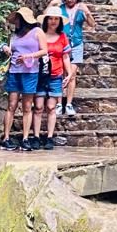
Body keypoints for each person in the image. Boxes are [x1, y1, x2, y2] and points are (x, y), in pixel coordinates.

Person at [0, 7, 48, 151]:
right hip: (14, 71)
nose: (16, 22)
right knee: (11, 105)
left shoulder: (37, 32)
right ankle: (6, 138)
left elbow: (44, 50)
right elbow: (6, 46)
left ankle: (25, 138)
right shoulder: (14, 35)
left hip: (30, 72)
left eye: (18, 19)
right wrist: (4, 47)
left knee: (27, 106)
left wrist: (28, 56)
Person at [32, 10, 73, 150]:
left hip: (56, 75)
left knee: (51, 107)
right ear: (46, 20)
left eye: (56, 19)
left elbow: (65, 57)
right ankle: (36, 137)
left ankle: (49, 137)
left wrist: (69, 73)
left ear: (60, 21)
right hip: (40, 75)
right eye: (51, 18)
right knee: (38, 107)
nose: (53, 21)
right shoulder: (39, 35)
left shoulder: (62, 37)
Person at [59, 0, 96, 116]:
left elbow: (92, 24)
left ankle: (68, 104)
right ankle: (59, 103)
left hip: (76, 44)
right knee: (60, 73)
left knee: (72, 74)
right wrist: (52, 3)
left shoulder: (81, 9)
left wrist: (87, 12)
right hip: (61, 44)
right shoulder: (60, 8)